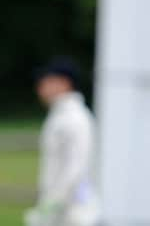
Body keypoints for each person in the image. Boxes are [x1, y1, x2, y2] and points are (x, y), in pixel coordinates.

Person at [25, 57, 100, 226]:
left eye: (47, 81)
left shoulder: (75, 118)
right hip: (62, 211)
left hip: (75, 213)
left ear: (64, 83)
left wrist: (51, 205)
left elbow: (76, 167)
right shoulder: (59, 115)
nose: (41, 87)